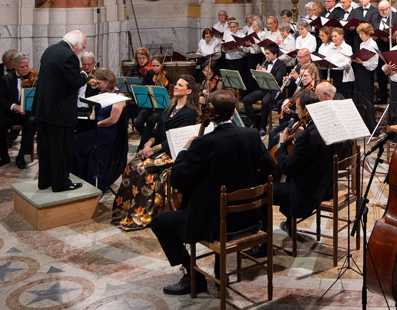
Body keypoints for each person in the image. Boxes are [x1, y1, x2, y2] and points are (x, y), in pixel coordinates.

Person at [151, 89, 274, 295]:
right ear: (234, 110)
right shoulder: (252, 135)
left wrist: (184, 151)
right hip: (250, 219)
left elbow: (178, 179)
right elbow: (270, 168)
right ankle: (218, 271)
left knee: (160, 223)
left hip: (214, 224)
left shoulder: (202, 144)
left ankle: (194, 276)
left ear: (211, 112)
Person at [111, 74, 200, 231]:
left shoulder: (190, 113)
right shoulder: (169, 108)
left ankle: (142, 213)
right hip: (158, 146)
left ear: (189, 91)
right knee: (132, 165)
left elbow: (175, 138)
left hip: (172, 152)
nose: (176, 87)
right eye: (176, 84)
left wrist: (154, 149)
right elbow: (158, 131)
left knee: (143, 169)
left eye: (180, 85)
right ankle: (125, 211)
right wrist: (149, 143)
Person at [34, 30, 87, 192]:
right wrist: (84, 75)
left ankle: (45, 181)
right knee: (61, 149)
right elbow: (74, 81)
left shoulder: (50, 50)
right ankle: (61, 183)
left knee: (46, 148)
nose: (82, 50)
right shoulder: (69, 56)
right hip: (60, 112)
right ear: (75, 45)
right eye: (82, 47)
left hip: (43, 109)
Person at [272, 89, 336, 221]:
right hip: (325, 186)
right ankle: (289, 225)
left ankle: (265, 236)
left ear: (306, 111)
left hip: (307, 194)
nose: (296, 112)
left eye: (297, 108)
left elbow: (286, 167)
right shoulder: (326, 126)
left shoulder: (306, 136)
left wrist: (283, 144)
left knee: (264, 191)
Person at [71, 68, 127, 191]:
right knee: (76, 140)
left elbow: (113, 119)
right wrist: (90, 123)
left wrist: (96, 124)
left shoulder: (119, 96)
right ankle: (80, 177)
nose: (97, 86)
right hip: (98, 127)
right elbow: (93, 114)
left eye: (99, 83)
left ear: (107, 81)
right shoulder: (101, 94)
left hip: (108, 131)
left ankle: (93, 181)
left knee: (82, 143)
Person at [0, 52, 37, 169]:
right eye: (22, 67)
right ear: (15, 66)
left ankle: (21, 157)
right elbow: (0, 100)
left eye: (27, 66)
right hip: (10, 113)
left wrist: (28, 107)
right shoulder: (6, 79)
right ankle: (3, 156)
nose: (25, 69)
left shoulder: (35, 78)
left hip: (28, 114)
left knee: (32, 123)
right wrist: (15, 106)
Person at [242, 43, 288, 131]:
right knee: (246, 99)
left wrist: (266, 72)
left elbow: (277, 80)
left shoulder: (281, 65)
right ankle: (252, 124)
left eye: (268, 54)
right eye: (265, 53)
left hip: (274, 90)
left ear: (275, 54)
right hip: (264, 89)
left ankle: (263, 127)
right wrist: (257, 75)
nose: (266, 56)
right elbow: (261, 81)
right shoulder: (265, 63)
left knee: (265, 102)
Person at [352, 22, 381, 129]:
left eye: (362, 34)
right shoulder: (362, 44)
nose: (360, 36)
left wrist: (363, 63)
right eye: (359, 34)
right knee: (358, 99)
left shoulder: (373, 44)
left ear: (368, 33)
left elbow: (374, 64)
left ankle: (371, 126)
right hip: (360, 72)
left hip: (367, 73)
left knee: (366, 99)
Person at [317, 24, 354, 99]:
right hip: (332, 74)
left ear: (341, 36)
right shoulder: (331, 47)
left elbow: (348, 63)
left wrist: (335, 66)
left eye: (335, 36)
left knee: (342, 97)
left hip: (343, 76)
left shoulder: (347, 47)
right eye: (332, 36)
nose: (333, 38)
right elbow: (328, 58)